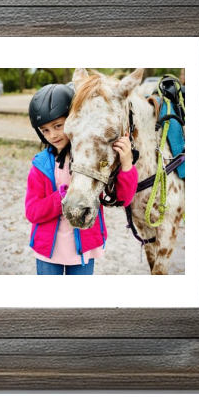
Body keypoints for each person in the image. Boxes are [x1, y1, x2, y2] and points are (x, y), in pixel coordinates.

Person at [25, 83, 138, 275]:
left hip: (83, 251)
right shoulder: (40, 166)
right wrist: (61, 197)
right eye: (45, 130)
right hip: (48, 252)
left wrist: (127, 164)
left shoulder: (92, 160)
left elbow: (123, 198)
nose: (52, 135)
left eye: (58, 126)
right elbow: (32, 212)